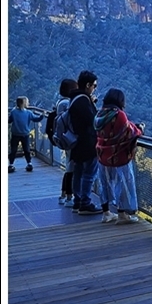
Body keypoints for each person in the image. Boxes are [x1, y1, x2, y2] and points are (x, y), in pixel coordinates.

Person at [94, 88, 144, 224]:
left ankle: (106, 213)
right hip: (118, 155)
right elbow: (129, 131)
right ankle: (122, 215)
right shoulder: (119, 115)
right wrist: (140, 129)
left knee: (104, 183)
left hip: (102, 154)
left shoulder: (99, 114)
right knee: (122, 183)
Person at [68, 70, 103, 215]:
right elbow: (93, 121)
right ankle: (85, 203)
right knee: (89, 174)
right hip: (88, 143)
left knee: (78, 172)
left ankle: (77, 201)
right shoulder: (83, 100)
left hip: (78, 143)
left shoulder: (74, 98)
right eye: (94, 86)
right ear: (88, 85)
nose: (94, 88)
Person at [53, 79, 78, 205]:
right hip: (70, 139)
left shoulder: (60, 103)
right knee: (71, 169)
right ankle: (69, 196)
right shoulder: (67, 103)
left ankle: (63, 194)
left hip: (65, 138)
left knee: (69, 166)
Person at [9, 97, 44, 173]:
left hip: (15, 133)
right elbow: (36, 119)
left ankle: (11, 164)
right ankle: (29, 163)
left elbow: (9, 120)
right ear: (24, 103)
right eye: (27, 102)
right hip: (25, 134)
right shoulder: (28, 113)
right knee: (26, 149)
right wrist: (42, 116)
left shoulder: (13, 112)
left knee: (13, 150)